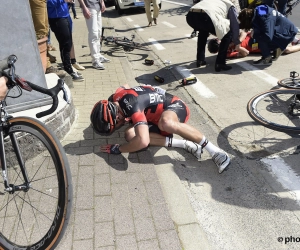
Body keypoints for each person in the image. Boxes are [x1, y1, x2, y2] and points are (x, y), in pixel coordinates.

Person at [90, 84, 231, 174]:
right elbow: (124, 85)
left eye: (116, 125)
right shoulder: (115, 98)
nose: (119, 126)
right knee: (129, 135)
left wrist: (119, 149)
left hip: (174, 107)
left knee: (165, 124)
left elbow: (143, 142)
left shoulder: (132, 106)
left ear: (118, 116)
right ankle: (185, 144)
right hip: (153, 117)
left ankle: (217, 152)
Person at [186, 0, 241, 72]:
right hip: (205, 16)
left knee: (203, 32)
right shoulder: (230, 5)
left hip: (190, 16)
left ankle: (200, 60)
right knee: (227, 34)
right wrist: (236, 41)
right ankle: (220, 63)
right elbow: (235, 24)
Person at [47, 0, 84, 81]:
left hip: (66, 16)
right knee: (65, 44)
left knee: (69, 43)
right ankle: (68, 69)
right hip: (56, 18)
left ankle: (70, 66)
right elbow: (48, 2)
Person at [208, 30, 300, 58]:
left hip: (254, 36)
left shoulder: (228, 36)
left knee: (272, 33)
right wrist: (238, 48)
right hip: (257, 47)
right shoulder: (226, 54)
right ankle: (298, 44)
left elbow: (243, 32)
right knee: (284, 50)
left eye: (220, 42)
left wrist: (238, 41)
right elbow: (245, 53)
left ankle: (294, 39)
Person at [77, 0, 110, 70]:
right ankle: (95, 60)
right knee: (93, 33)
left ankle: (98, 55)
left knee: (98, 33)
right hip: (89, 6)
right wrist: (84, 7)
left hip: (97, 5)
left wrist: (102, 2)